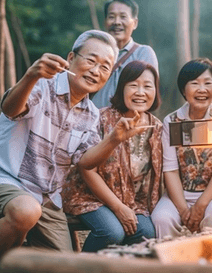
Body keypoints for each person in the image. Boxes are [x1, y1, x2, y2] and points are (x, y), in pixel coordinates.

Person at [0, 30, 118, 273]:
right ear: (70, 58)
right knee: (26, 211)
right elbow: (10, 109)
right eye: (91, 60)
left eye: (105, 66)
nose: (95, 70)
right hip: (0, 180)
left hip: (46, 199)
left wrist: (114, 140)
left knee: (64, 267)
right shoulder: (42, 86)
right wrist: (31, 75)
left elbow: (85, 162)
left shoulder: (91, 114)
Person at [62, 60, 163, 252]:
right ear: (121, 88)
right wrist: (118, 207)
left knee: (146, 233)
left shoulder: (157, 128)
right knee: (112, 232)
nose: (140, 92)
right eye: (133, 85)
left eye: (147, 86)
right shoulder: (100, 118)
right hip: (90, 195)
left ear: (155, 91)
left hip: (133, 202)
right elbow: (86, 169)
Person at [151, 58, 212, 238]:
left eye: (208, 83)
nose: (202, 89)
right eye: (195, 83)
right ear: (184, 89)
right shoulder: (172, 121)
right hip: (181, 192)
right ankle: (171, 264)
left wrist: (201, 205)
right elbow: (171, 170)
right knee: (161, 219)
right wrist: (184, 210)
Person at [92, 0, 159, 108]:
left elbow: (147, 94)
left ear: (135, 23)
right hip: (90, 121)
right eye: (111, 16)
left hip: (127, 123)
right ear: (105, 22)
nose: (117, 22)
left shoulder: (144, 53)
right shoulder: (94, 52)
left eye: (123, 17)